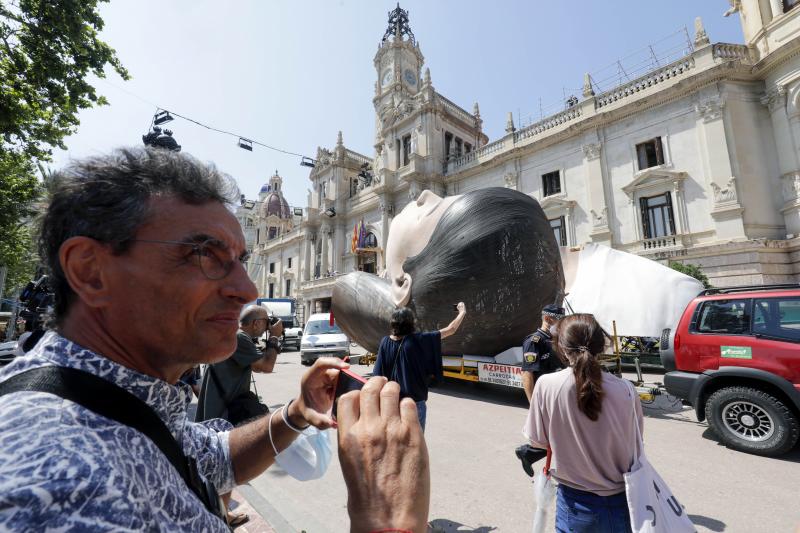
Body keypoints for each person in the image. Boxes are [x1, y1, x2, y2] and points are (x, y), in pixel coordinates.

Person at [0, 147, 431, 532]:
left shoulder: (118, 394)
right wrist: (387, 524)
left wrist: (296, 414)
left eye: (241, 261)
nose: (247, 290)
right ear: (91, 270)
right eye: (204, 254)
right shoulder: (57, 481)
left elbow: (212, 457)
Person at [523, 313, 643, 533]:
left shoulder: (546, 386)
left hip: (575, 504)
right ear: (601, 345)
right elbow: (636, 444)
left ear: (561, 347)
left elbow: (538, 441)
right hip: (622, 502)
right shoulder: (627, 389)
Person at [373, 303, 466, 431]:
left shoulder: (385, 342)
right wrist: (462, 312)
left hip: (390, 403)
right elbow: (451, 329)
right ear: (411, 323)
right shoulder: (419, 340)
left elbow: (377, 375)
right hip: (414, 403)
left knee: (395, 444)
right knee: (415, 445)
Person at [195, 304, 280, 425]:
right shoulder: (239, 337)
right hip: (222, 416)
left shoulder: (231, 333)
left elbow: (256, 366)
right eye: (267, 322)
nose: (268, 327)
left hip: (219, 410)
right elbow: (267, 366)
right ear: (256, 323)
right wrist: (274, 336)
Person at [521, 303, 566, 403]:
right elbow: (527, 374)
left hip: (559, 394)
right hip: (545, 396)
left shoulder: (558, 339)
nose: (562, 324)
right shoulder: (534, 341)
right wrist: (533, 404)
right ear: (547, 319)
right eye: (560, 320)